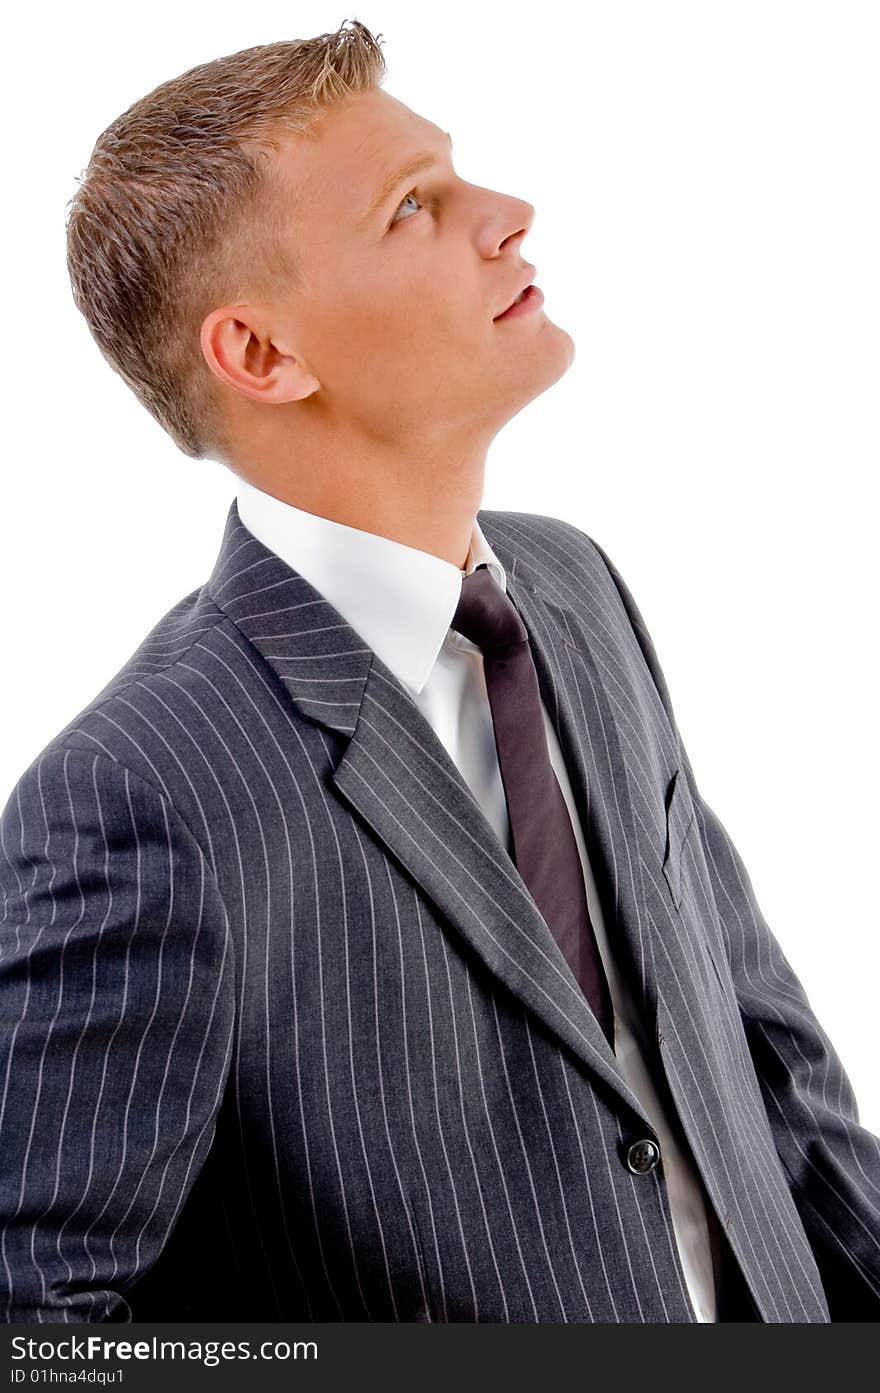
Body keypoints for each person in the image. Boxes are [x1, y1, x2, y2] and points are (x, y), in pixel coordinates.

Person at [1, 21, 878, 1324]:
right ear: (261, 355)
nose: (512, 214)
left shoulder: (571, 587)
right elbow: (45, 1322)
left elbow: (761, 1040)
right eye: (415, 207)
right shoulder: (137, 795)